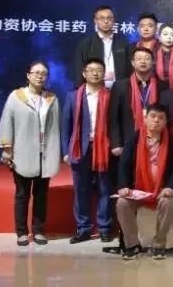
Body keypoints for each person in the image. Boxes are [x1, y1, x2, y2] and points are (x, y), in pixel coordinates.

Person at [0, 61, 61, 247]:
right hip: (22, 153)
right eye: (36, 73)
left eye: (44, 73)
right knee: (22, 194)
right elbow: (6, 122)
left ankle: (39, 230)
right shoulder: (16, 97)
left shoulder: (51, 98)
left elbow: (57, 126)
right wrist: (7, 149)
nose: (40, 76)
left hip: (45, 153)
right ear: (28, 75)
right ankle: (22, 232)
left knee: (41, 195)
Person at [115, 103, 173, 260]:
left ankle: (159, 244)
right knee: (122, 203)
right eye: (153, 116)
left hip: (162, 189)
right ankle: (132, 245)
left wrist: (170, 187)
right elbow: (124, 164)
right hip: (138, 189)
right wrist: (123, 186)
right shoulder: (134, 139)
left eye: (161, 118)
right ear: (145, 119)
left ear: (166, 122)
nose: (156, 121)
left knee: (168, 202)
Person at [62, 59, 115, 244]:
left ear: (104, 73)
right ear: (84, 73)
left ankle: (104, 228)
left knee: (104, 189)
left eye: (99, 70)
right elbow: (66, 126)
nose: (95, 73)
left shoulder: (111, 96)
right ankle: (83, 228)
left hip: (104, 149)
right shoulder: (72, 97)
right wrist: (66, 151)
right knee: (81, 190)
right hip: (80, 149)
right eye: (91, 70)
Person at [73, 5, 130, 88]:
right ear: (95, 21)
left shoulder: (123, 42)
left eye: (109, 18)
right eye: (101, 18)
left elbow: (129, 69)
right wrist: (81, 91)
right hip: (95, 89)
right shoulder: (85, 44)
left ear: (114, 20)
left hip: (120, 89)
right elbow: (79, 70)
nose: (106, 21)